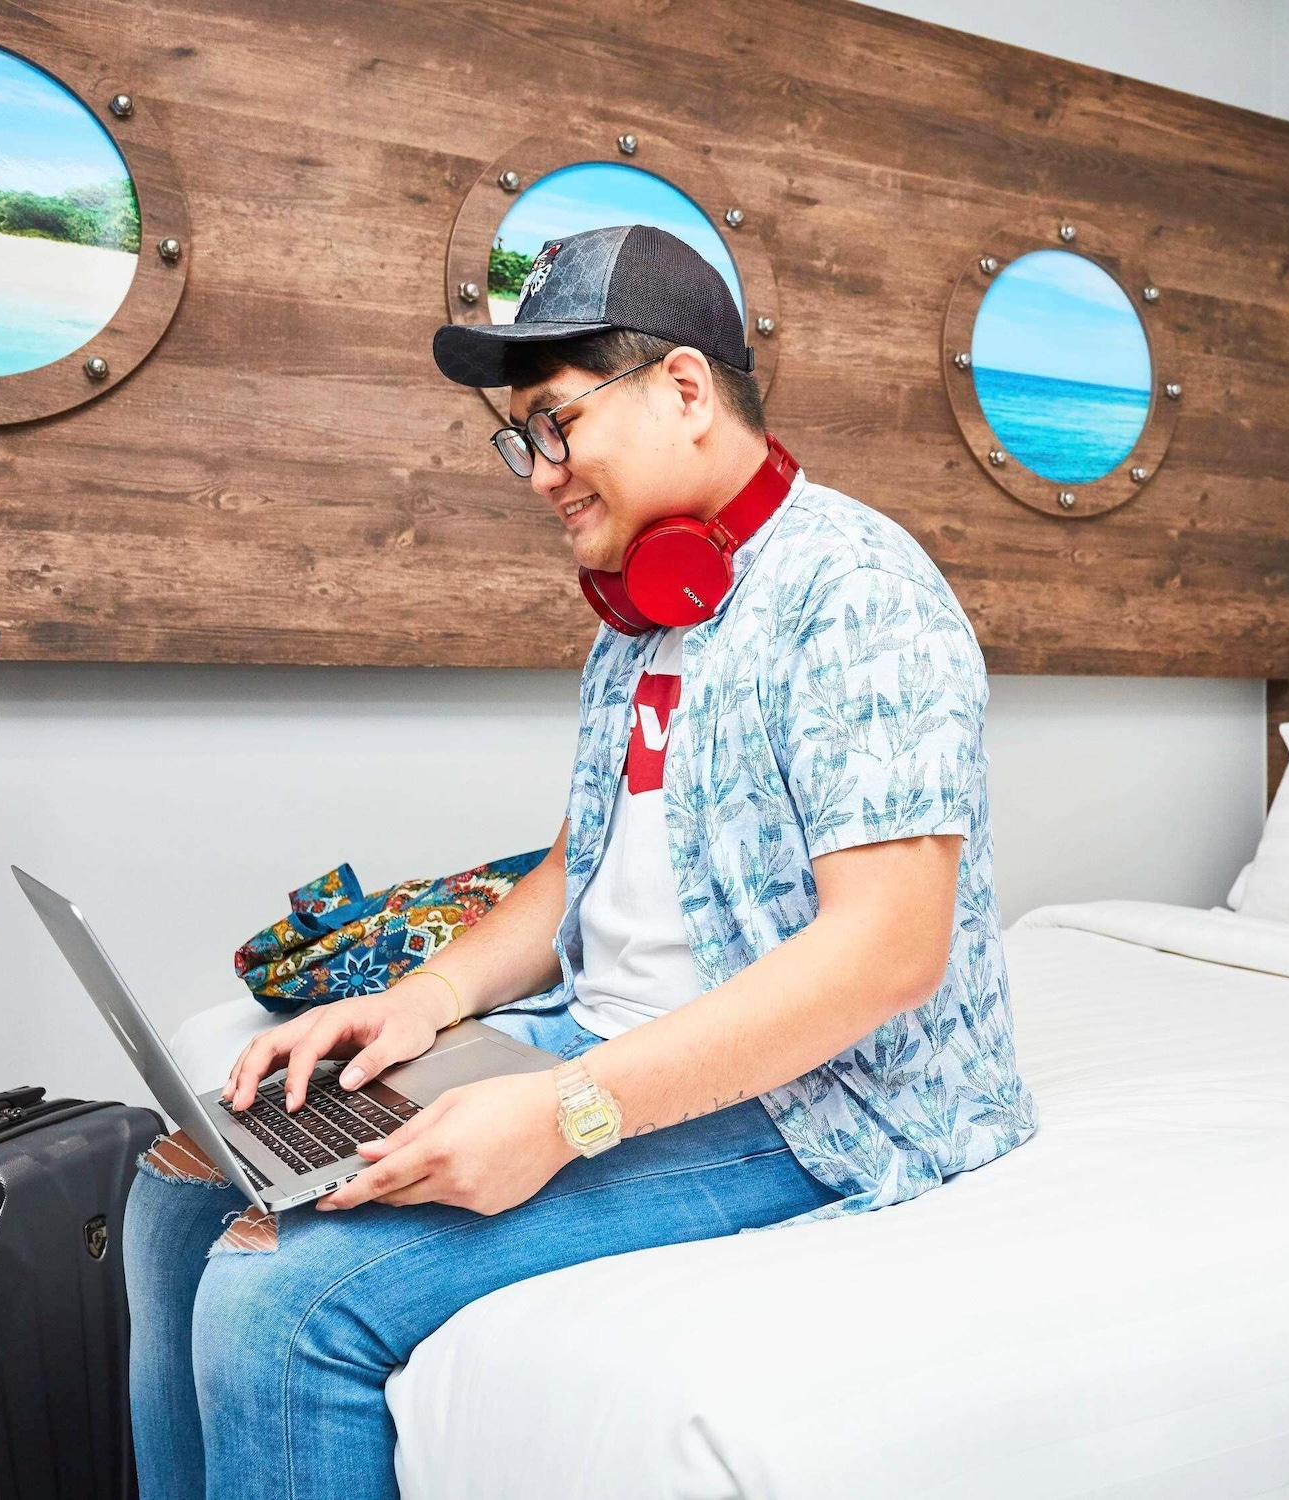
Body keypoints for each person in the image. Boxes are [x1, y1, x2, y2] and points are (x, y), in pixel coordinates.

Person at [122, 224, 1036, 1499]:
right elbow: (582, 859)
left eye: (554, 424)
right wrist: (421, 1000)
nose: (539, 473)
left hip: (818, 1100)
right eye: (522, 441)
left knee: (277, 1301)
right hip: (606, 1037)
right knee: (174, 1192)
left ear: (683, 388)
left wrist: (563, 1113)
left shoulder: (860, 594)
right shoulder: (643, 607)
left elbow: (887, 950)